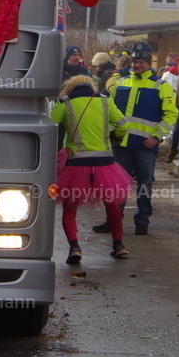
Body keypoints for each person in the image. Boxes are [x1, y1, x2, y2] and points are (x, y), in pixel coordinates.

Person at [95, 41, 177, 235]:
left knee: (144, 185)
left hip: (145, 146)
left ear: (149, 63)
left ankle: (142, 221)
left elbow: (171, 115)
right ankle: (113, 220)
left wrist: (157, 137)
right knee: (117, 186)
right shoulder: (121, 83)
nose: (136, 65)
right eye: (134, 62)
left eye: (140, 62)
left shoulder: (161, 86)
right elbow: (109, 110)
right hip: (121, 144)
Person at [51, 75, 131, 263]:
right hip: (105, 163)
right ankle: (118, 244)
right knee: (111, 203)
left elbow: (49, 126)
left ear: (69, 88)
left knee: (70, 207)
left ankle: (74, 248)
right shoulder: (105, 101)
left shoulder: (64, 103)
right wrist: (113, 138)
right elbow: (123, 125)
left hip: (76, 164)